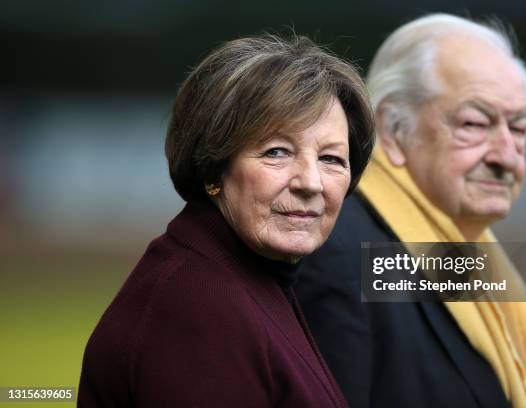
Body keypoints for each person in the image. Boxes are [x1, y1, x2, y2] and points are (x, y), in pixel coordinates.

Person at [296, 14, 526, 408]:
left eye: (517, 128)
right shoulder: (338, 251)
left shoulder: (462, 252)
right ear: (393, 130)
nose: (505, 156)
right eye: (475, 123)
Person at [77, 34, 375, 407]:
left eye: (331, 159)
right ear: (213, 169)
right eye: (277, 152)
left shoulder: (253, 276)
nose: (311, 183)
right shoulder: (198, 309)